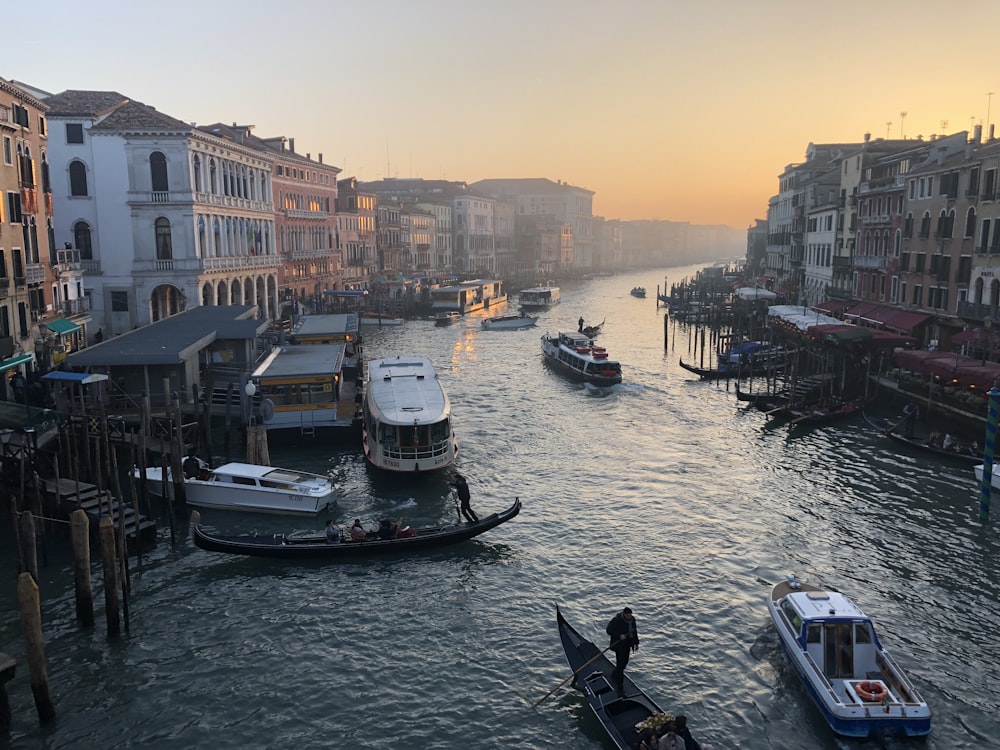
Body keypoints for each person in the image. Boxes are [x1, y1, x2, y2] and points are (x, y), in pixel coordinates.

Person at [606, 606, 639, 692]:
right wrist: (619, 635)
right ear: (624, 615)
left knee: (625, 662)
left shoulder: (632, 620)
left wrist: (636, 643)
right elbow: (609, 630)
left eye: (630, 615)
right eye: (628, 615)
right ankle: (620, 685)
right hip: (619, 646)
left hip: (627, 644)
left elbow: (634, 631)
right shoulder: (617, 620)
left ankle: (615, 674)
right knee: (620, 664)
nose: (629, 617)